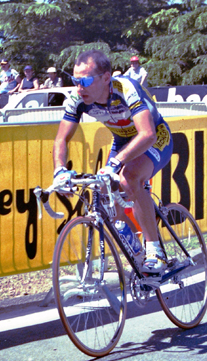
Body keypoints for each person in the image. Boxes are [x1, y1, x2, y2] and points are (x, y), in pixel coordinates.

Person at [52, 50, 173, 274]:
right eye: (75, 80)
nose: (80, 87)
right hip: (122, 141)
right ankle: (138, 255)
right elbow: (61, 138)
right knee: (104, 192)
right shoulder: (78, 99)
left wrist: (116, 163)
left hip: (154, 138)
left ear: (106, 78)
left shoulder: (126, 89)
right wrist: (59, 170)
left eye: (86, 80)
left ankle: (155, 251)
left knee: (129, 178)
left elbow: (147, 134)